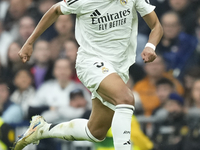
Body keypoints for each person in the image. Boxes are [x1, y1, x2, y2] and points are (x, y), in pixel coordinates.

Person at [14, 0, 163, 150]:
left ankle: (42, 129)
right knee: (126, 99)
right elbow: (55, 10)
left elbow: (156, 26)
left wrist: (151, 46)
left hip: (118, 69)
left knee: (95, 132)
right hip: (91, 62)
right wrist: (30, 42)